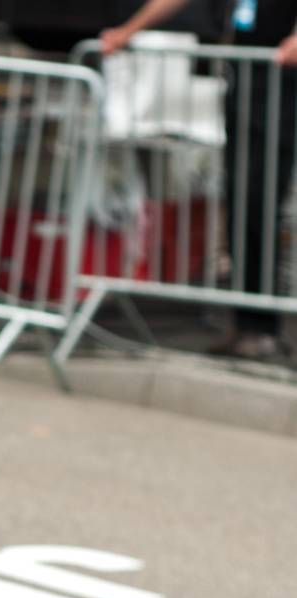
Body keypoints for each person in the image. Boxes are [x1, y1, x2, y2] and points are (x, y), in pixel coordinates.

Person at [102, 0, 297, 359]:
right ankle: (247, 322)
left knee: (259, 200)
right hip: (245, 85)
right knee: (240, 202)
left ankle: (262, 326)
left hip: (279, 90)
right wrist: (129, 31)